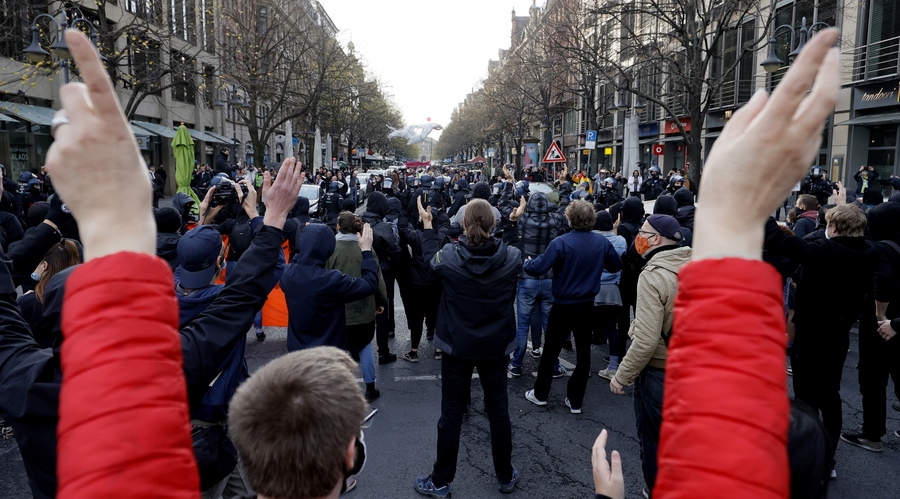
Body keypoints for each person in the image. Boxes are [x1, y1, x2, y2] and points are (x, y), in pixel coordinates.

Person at [412, 197, 521, 497]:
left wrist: (427, 224)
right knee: (498, 410)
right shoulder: (510, 257)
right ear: (493, 223)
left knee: (451, 413)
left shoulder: (449, 256)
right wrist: (512, 224)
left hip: (458, 346)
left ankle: (441, 479)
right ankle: (505, 475)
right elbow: (516, 253)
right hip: (496, 346)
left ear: (463, 224)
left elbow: (429, 260)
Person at [609, 214, 691, 496]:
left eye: (643, 233)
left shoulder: (654, 275)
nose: (638, 238)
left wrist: (622, 376)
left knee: (655, 438)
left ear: (656, 239)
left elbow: (645, 340)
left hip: (661, 372)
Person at [523, 200, 623, 413]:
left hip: (563, 304)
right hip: (587, 304)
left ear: (570, 218)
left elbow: (538, 267)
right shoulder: (600, 242)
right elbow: (615, 265)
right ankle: (575, 401)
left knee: (550, 350)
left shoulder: (561, 242)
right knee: (584, 352)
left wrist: (527, 262)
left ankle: (540, 394)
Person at [839, 201, 900, 453]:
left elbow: (882, 280)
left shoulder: (881, 249)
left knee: (873, 379)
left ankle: (872, 434)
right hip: (898, 325)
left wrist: (880, 315)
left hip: (880, 326)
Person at [326, 211, 388, 402]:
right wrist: (381, 301)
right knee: (365, 345)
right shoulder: (366, 249)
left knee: (336, 350)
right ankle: (370, 387)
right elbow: (377, 278)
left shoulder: (331, 249)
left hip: (338, 309)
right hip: (363, 306)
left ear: (338, 226)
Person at [507, 192, 567, 378]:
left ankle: (516, 364)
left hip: (527, 276)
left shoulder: (523, 220)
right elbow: (564, 206)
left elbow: (504, 209)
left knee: (523, 324)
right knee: (550, 326)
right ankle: (554, 365)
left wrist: (519, 202)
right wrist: (563, 186)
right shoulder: (555, 220)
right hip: (549, 276)